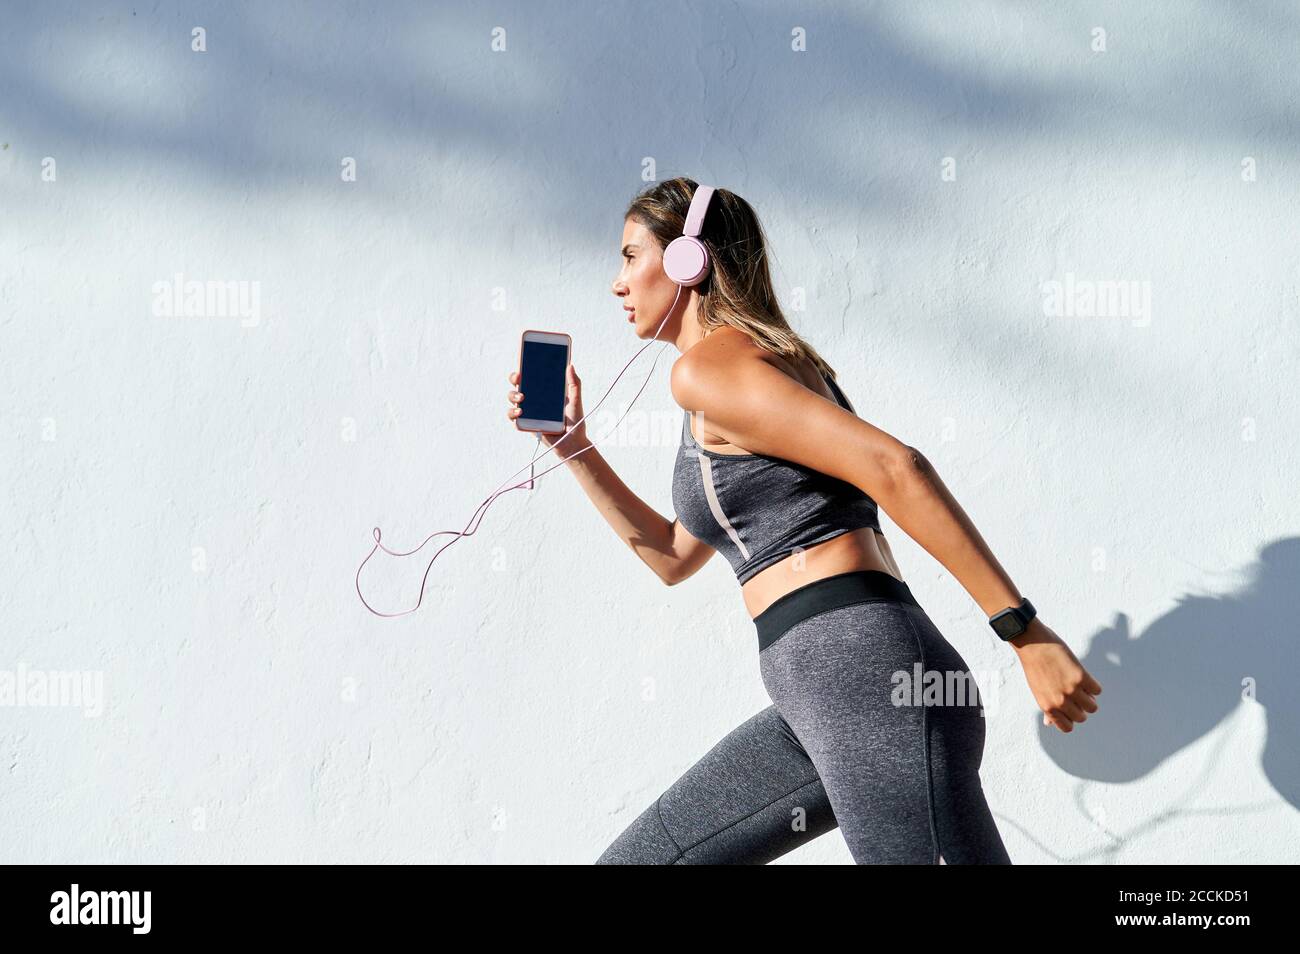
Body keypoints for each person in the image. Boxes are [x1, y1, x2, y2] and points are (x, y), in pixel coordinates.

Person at [505, 177, 1102, 864]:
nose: (617, 282)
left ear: (685, 262)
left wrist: (1021, 631)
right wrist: (574, 447)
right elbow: (672, 555)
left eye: (630, 255)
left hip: (867, 683)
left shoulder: (709, 371)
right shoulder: (733, 379)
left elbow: (896, 467)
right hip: (820, 700)